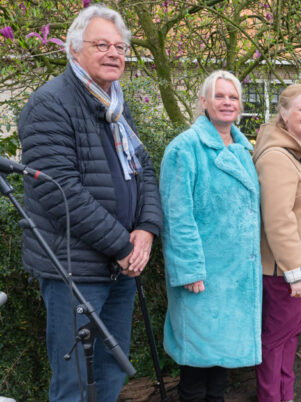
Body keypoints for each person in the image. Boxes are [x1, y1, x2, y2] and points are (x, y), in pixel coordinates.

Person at [16, 4, 162, 400]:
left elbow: (144, 169)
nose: (114, 53)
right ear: (74, 50)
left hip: (121, 266)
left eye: (120, 47)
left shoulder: (114, 103)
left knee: (112, 371)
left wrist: (147, 230)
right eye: (102, 45)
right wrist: (122, 245)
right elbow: (60, 190)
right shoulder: (50, 103)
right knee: (75, 380)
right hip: (74, 271)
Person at [160, 70, 262, 401]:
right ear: (204, 101)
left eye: (233, 97)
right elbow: (177, 216)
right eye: (219, 96)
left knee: (221, 366)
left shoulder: (244, 149)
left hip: (236, 276)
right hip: (203, 276)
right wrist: (189, 270)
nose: (227, 103)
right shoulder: (185, 149)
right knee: (196, 368)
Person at [252, 84, 301, 402]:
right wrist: (294, 272)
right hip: (286, 271)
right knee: (274, 341)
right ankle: (272, 397)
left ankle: (285, 395)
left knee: (288, 338)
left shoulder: (300, 152)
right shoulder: (277, 158)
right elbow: (278, 220)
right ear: (283, 114)